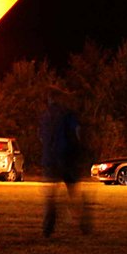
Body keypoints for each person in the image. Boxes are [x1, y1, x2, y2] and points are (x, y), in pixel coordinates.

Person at [40, 94, 89, 236]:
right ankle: (82, 222)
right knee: (73, 192)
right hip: (67, 157)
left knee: (51, 194)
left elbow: (42, 137)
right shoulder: (68, 115)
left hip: (50, 159)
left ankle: (48, 225)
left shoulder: (46, 116)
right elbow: (77, 132)